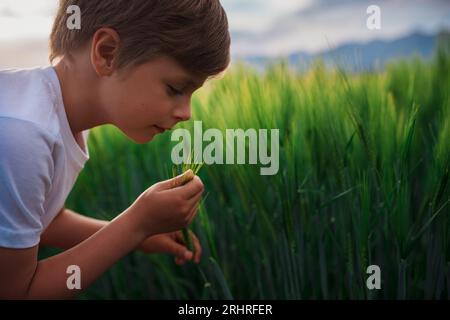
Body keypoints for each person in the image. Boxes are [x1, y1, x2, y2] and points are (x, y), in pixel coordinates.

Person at [0, 0, 230, 299]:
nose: (186, 112)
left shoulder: (60, 120)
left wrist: (141, 235)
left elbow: (44, 222)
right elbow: (16, 292)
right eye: (174, 89)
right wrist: (135, 225)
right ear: (107, 52)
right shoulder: (25, 133)